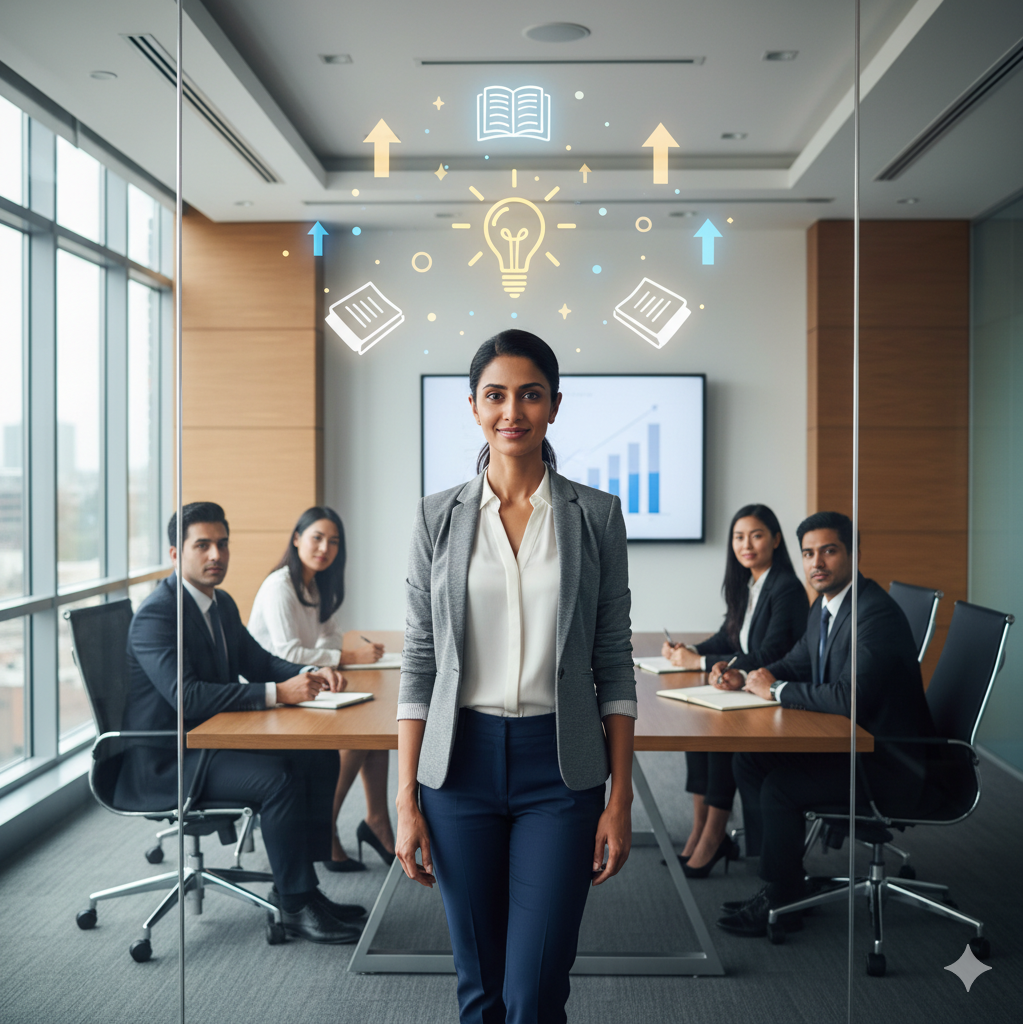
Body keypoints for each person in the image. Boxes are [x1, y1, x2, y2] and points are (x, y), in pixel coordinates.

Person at [394, 330, 636, 1023]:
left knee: (533, 991)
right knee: (481, 988)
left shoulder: (596, 517)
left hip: (559, 771)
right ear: (472, 406)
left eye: (530, 394)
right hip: (458, 767)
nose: (513, 410)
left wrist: (619, 801)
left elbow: (612, 663)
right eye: (496, 395)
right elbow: (420, 663)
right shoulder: (435, 517)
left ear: (554, 405)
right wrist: (406, 798)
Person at [116, 501, 367, 944]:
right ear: (175, 554)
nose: (216, 555)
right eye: (203, 545)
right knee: (278, 780)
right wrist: (278, 693)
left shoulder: (221, 603)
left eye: (222, 544)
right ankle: (293, 906)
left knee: (318, 754)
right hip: (169, 757)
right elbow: (187, 697)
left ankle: (302, 888)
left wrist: (305, 675)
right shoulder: (158, 614)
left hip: (212, 741)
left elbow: (259, 660)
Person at [715, 511, 934, 937]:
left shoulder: (873, 614)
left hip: (889, 762)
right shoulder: (829, 606)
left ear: (852, 554)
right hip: (855, 747)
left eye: (829, 551)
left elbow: (849, 697)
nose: (817, 562)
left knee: (781, 784)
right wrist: (749, 677)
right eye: (809, 553)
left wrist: (774, 691)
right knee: (750, 760)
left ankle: (782, 900)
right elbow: (796, 662)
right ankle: (781, 882)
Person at [661, 504, 809, 877]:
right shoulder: (750, 584)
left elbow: (772, 652)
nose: (746, 544)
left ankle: (713, 838)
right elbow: (730, 636)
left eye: (756, 535)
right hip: (746, 691)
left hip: (772, 697)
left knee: (716, 735)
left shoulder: (785, 588)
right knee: (698, 729)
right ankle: (699, 833)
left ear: (776, 539)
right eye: (739, 537)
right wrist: (693, 651)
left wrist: (698, 665)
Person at [248, 507, 395, 872]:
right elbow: (287, 652)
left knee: (371, 731)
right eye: (317, 537)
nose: (324, 548)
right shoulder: (279, 586)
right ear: (297, 538)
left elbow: (329, 635)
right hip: (271, 693)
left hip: (304, 684)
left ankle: (377, 821)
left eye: (333, 541)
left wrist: (340, 656)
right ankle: (325, 828)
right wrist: (349, 656)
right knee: (358, 735)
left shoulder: (316, 584)